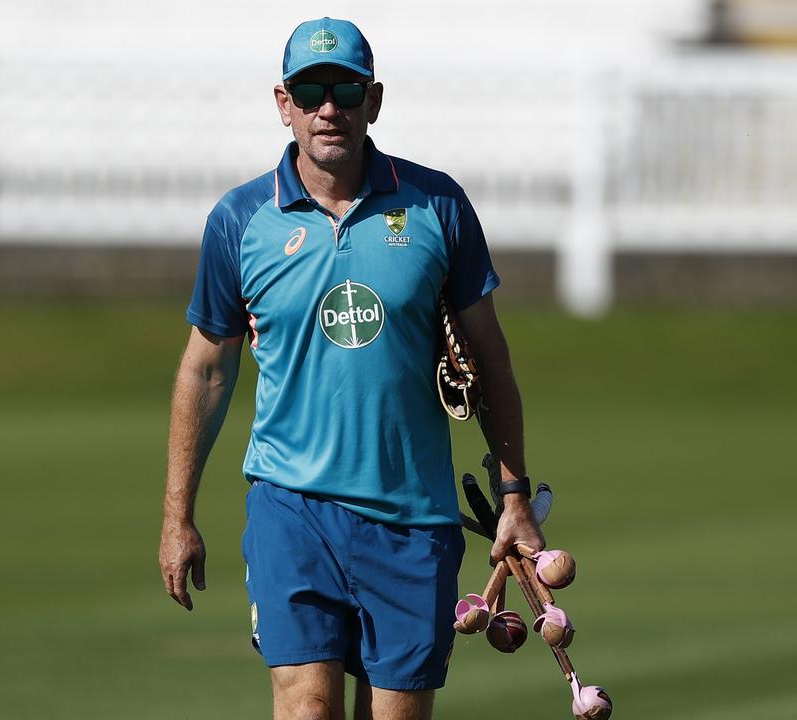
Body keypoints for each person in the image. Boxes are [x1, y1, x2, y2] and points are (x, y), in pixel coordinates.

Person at [158, 17, 543, 720]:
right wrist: (176, 515)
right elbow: (205, 371)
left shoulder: (438, 206)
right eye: (310, 91)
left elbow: (490, 360)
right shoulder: (240, 220)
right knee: (307, 706)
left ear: (375, 99)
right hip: (291, 507)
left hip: (413, 517)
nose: (328, 107)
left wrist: (514, 495)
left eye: (345, 89)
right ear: (284, 102)